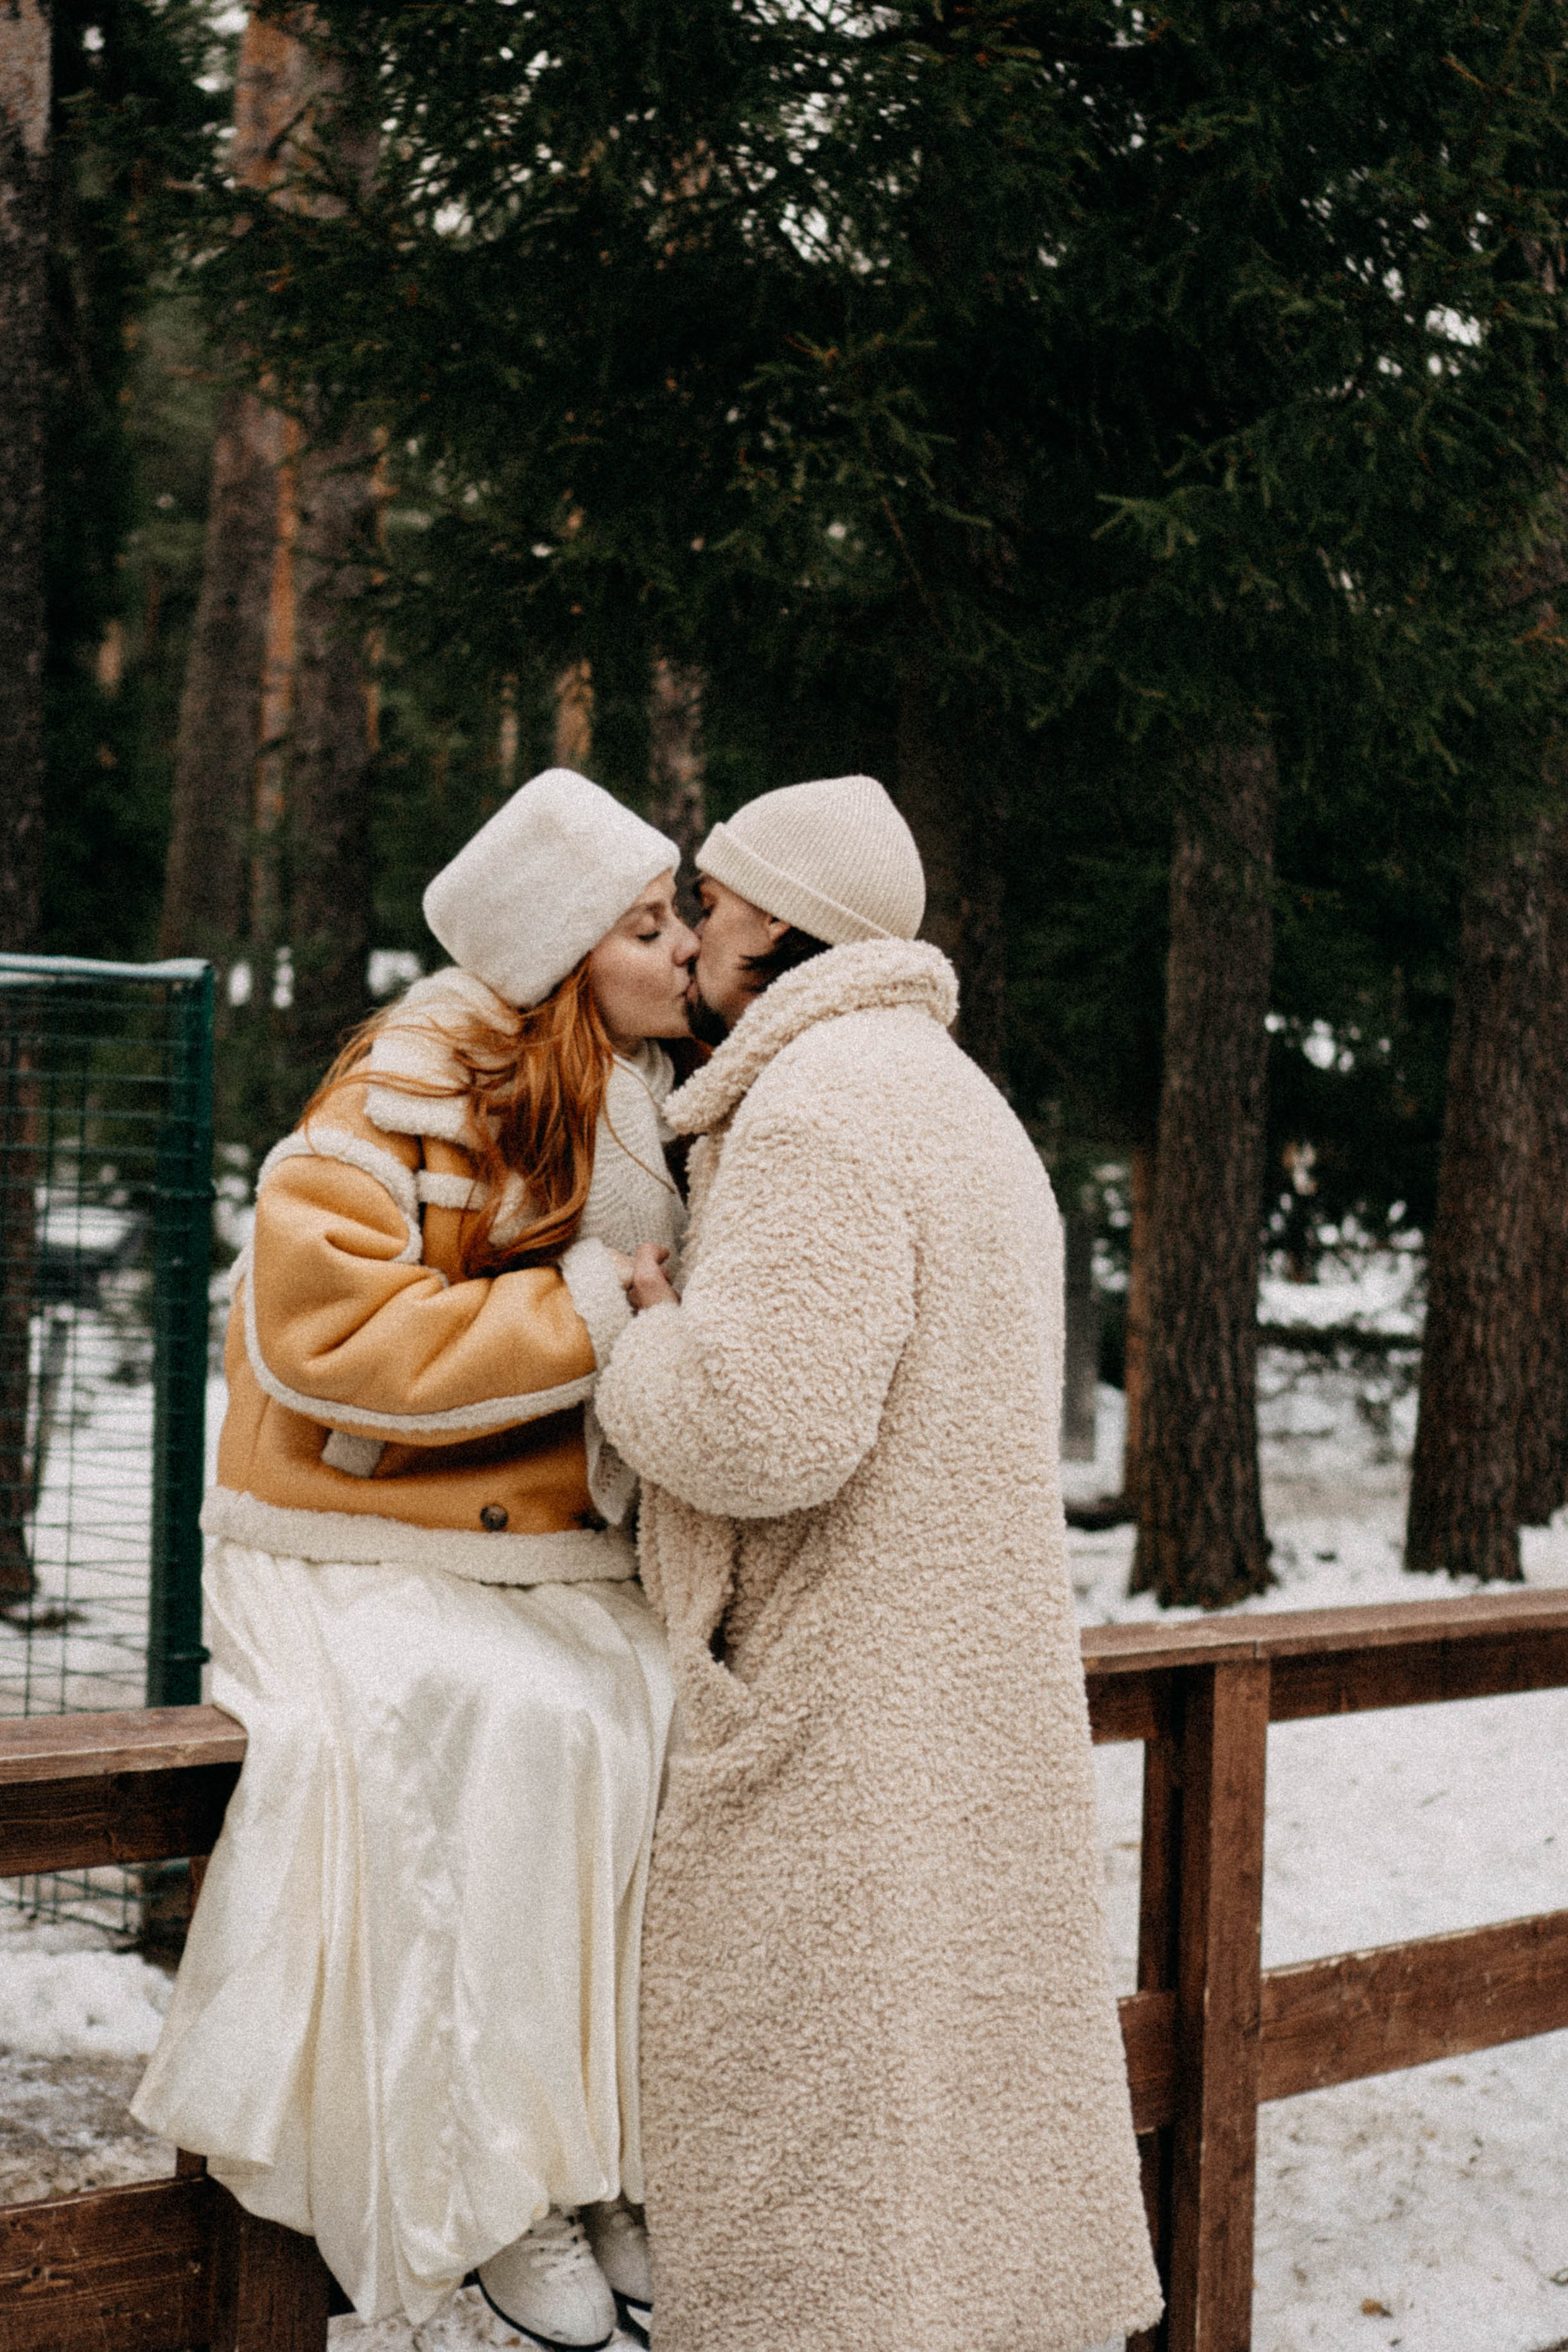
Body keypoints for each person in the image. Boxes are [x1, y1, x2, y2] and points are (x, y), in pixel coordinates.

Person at [134, 768, 701, 2350]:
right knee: (500, 1727)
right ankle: (489, 2180)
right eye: (645, 924)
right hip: (348, 1533)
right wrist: (586, 1308)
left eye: (677, 918)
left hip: (531, 1550)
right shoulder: (398, 1092)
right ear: (562, 952)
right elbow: (329, 1333)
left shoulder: (648, 1097)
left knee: (654, 1718)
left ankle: (603, 2152)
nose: (681, 947)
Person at [595, 772, 1163, 2352]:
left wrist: (645, 1340)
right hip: (953, 1694)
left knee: (821, 2181)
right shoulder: (956, 1100)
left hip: (838, 1710)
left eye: (715, 899)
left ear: (781, 920)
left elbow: (765, 1425)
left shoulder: (819, 1104)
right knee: (940, 2167)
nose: (695, 929)